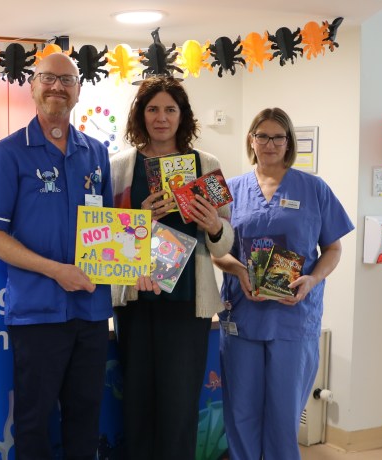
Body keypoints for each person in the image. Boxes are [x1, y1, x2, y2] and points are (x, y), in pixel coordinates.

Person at [0, 52, 113, 460]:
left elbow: (107, 230)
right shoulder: (10, 152)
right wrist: (58, 272)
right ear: (32, 87)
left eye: (67, 80)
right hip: (37, 314)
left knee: (85, 417)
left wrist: (131, 261)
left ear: (78, 91)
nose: (57, 87)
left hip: (90, 310)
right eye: (48, 79)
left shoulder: (96, 153)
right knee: (34, 423)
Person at [212, 108, 353, 460]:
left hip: (294, 317)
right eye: (263, 136)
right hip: (243, 316)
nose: (270, 143)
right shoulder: (230, 190)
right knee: (240, 412)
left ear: (289, 141)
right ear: (251, 140)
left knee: (283, 416)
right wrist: (239, 271)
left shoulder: (314, 188)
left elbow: (333, 248)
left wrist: (313, 278)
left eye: (278, 136)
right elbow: (217, 251)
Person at [109, 75, 233, 460]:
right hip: (136, 298)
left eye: (169, 109)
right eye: (152, 109)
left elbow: (228, 239)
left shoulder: (206, 164)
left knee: (179, 405)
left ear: (183, 116)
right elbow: (107, 237)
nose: (161, 118)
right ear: (140, 115)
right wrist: (136, 218)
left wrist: (212, 224)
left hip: (187, 302)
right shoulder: (120, 167)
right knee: (138, 402)